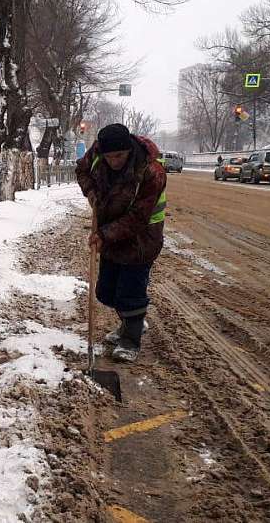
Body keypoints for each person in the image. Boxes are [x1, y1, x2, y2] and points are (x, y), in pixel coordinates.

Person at [75, 123, 167, 363]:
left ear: (129, 150)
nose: (114, 161)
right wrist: (92, 192)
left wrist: (103, 235)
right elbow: (82, 171)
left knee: (130, 292)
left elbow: (138, 217)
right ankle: (130, 322)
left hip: (142, 237)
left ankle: (131, 339)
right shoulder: (96, 153)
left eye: (119, 156)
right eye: (109, 156)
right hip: (110, 230)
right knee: (106, 291)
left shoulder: (150, 171)